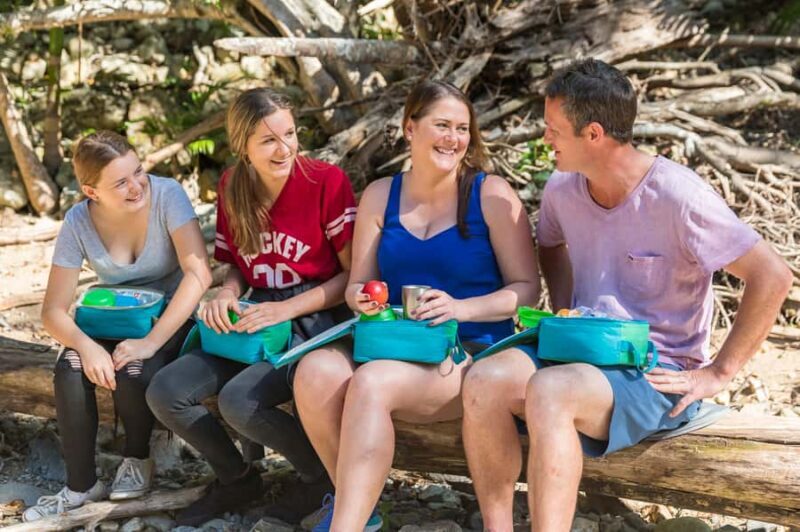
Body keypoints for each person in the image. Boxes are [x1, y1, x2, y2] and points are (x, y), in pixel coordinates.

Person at [461, 58, 794, 532]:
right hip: (577, 351)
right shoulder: (561, 189)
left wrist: (718, 373)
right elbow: (551, 243)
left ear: (593, 134)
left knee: (550, 392)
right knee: (484, 380)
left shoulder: (680, 198)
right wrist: (563, 306)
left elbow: (773, 276)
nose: (545, 139)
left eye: (554, 129)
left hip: (654, 371)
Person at [293, 80, 540, 531]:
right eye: (441, 125)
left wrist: (461, 308)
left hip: (467, 355)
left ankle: (343, 527)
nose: (453, 138)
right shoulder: (379, 195)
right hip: (392, 342)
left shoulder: (490, 194)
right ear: (410, 128)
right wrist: (363, 300)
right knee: (314, 372)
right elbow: (358, 283)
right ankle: (360, 509)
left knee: (369, 383)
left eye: (462, 128)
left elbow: (527, 290)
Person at [145, 87, 357, 526]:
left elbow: (352, 279)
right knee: (165, 392)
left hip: (313, 317)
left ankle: (322, 481)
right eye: (269, 141)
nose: (285, 149)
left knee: (241, 401)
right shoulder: (231, 184)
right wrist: (225, 294)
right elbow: (237, 267)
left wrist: (287, 309)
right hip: (254, 315)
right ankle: (237, 478)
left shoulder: (326, 182)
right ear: (243, 145)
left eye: (290, 134)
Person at [23, 131, 211, 521]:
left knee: (132, 365)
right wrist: (88, 347)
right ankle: (80, 484)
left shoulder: (167, 195)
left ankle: (137, 458)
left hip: (170, 318)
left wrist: (150, 342)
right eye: (120, 182)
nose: (136, 186)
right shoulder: (77, 221)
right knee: (71, 367)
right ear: (92, 191)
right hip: (113, 317)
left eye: (138, 172)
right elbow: (53, 311)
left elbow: (199, 275)